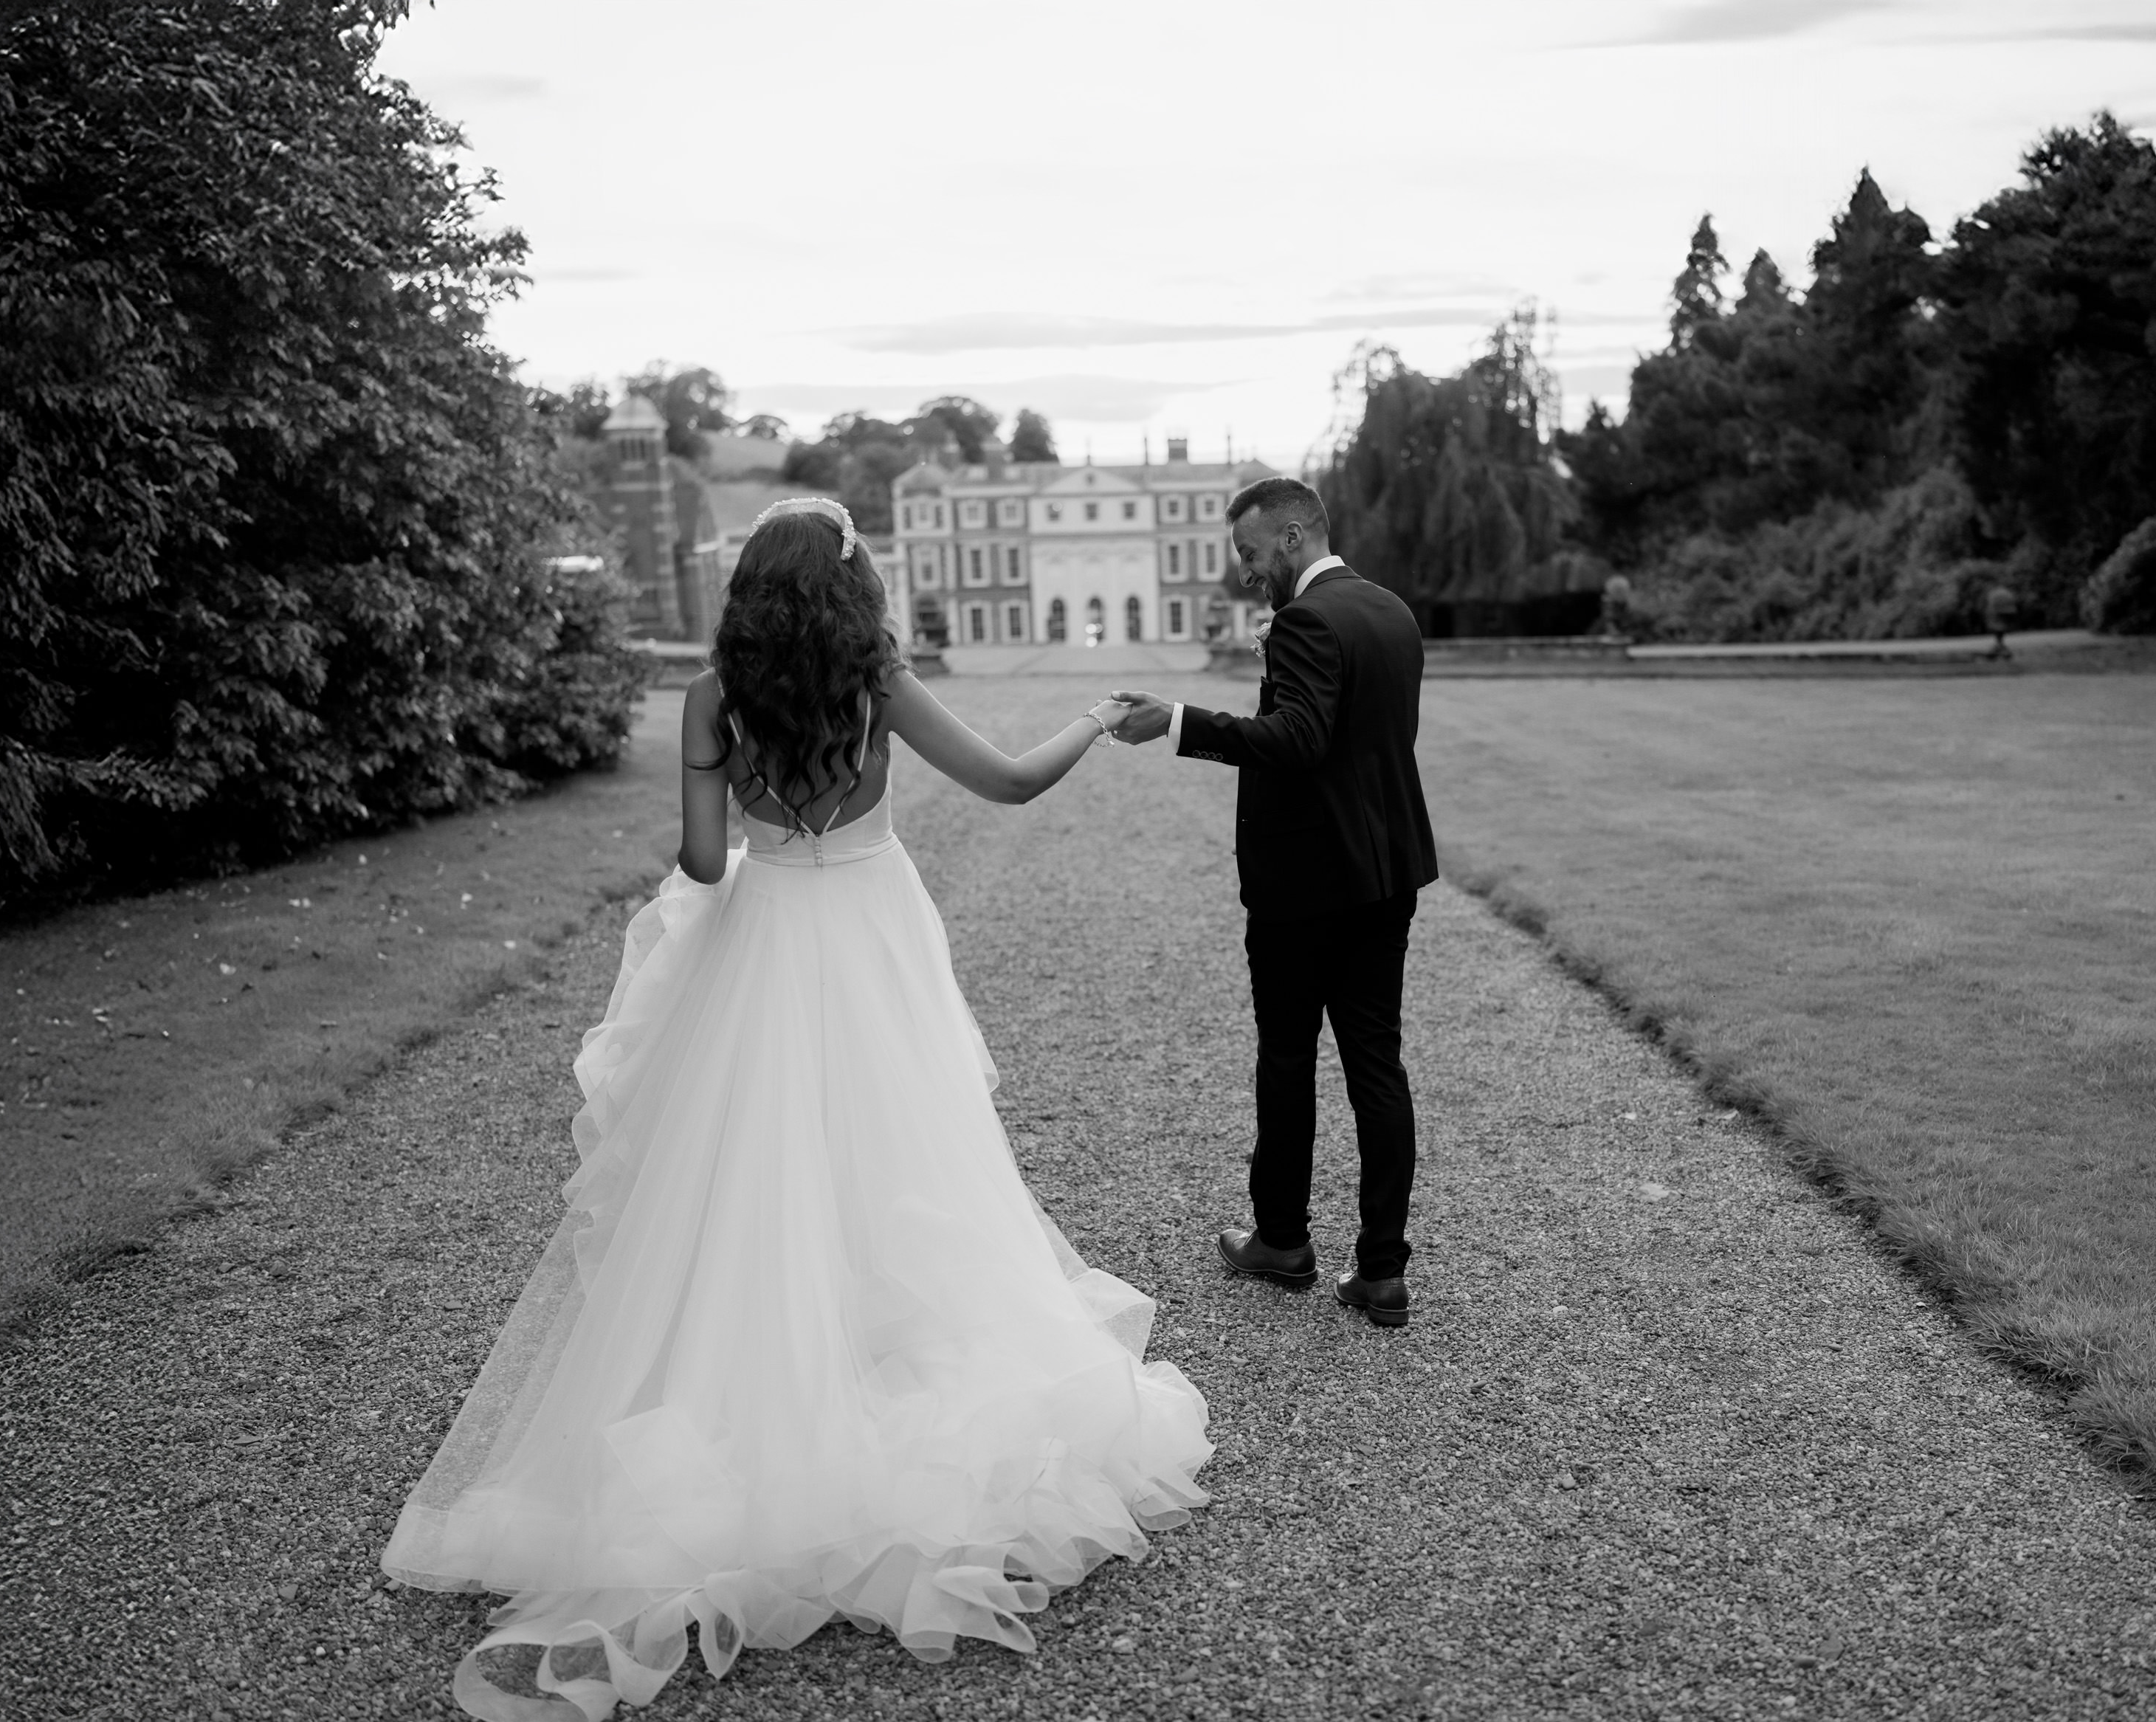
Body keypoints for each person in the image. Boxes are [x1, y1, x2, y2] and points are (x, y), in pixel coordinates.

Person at [382, 497, 1211, 1721]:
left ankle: (762, 1402)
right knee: (900, 1161)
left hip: (765, 939)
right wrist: (1099, 713)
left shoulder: (714, 696)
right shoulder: (880, 679)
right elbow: (1014, 785)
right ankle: (874, 1377)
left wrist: (728, 816)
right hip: (874, 939)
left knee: (747, 1178)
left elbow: (709, 865)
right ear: (848, 589)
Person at [1106, 476, 1438, 1328]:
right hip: (1384, 876)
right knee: (1376, 1064)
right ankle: (1382, 1271)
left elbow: (1297, 740)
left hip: (1305, 889)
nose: (1247, 573)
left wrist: (1179, 722)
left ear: (1292, 536)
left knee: (1287, 1056)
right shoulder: (1391, 611)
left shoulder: (1304, 621)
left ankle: (1282, 1240)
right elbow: (1360, 746)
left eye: (1251, 554)